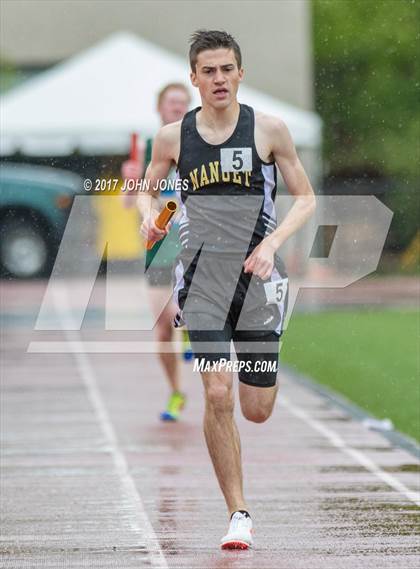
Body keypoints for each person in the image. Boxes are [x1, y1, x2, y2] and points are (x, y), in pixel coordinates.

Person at [137, 30, 316, 549]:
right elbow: (149, 192)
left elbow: (305, 200)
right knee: (217, 392)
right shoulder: (172, 137)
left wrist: (271, 244)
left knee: (256, 410)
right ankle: (238, 513)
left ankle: (267, 358)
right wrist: (152, 219)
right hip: (202, 285)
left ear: (240, 73)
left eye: (226, 69)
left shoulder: (270, 130)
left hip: (259, 282)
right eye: (207, 71)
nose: (218, 79)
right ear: (193, 78)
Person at [121, 82, 191, 421]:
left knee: (184, 309)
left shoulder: (201, 142)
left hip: (195, 244)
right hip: (159, 248)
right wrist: (130, 181)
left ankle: (192, 331)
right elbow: (127, 204)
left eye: (183, 102)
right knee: (163, 328)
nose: (177, 107)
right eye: (171, 103)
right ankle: (176, 393)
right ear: (160, 108)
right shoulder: (149, 148)